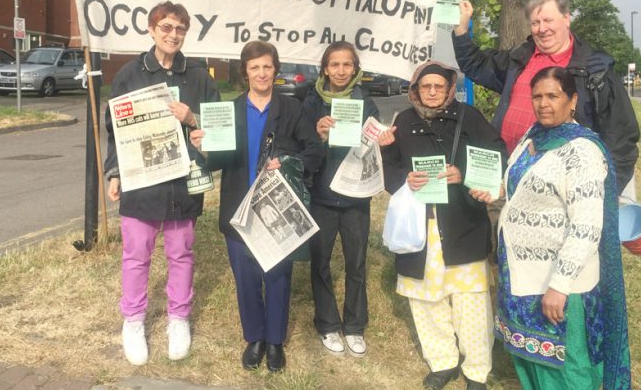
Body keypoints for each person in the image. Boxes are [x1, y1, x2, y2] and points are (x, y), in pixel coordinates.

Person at [469, 66, 631, 390]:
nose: (544, 103)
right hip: (522, 274)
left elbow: (586, 227)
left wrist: (559, 286)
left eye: (553, 96)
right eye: (537, 96)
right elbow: (517, 182)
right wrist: (496, 190)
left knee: (567, 371)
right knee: (531, 363)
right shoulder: (534, 136)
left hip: (559, 284)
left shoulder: (581, 152)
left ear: (572, 101)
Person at [189, 41, 323, 372]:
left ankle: (275, 341)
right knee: (246, 278)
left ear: (275, 70)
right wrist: (204, 147)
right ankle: (255, 338)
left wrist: (290, 161)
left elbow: (314, 151)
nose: (261, 73)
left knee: (277, 276)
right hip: (239, 208)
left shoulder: (292, 109)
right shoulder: (230, 110)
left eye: (267, 66)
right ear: (244, 72)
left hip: (276, 209)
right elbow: (219, 160)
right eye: (254, 67)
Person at [104, 1, 219, 366]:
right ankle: (133, 320)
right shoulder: (129, 74)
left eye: (180, 29)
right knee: (136, 254)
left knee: (181, 253)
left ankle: (178, 318)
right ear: (152, 30)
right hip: (142, 183)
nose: (173, 35)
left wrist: (193, 118)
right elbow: (114, 130)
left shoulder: (199, 76)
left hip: (183, 184)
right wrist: (115, 172)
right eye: (166, 27)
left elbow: (216, 126)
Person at [381, 61, 507, 390]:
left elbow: (497, 153)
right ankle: (443, 362)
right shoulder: (403, 122)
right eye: (426, 86)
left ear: (450, 89)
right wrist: (403, 178)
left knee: (471, 302)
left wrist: (463, 174)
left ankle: (477, 370)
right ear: (415, 90)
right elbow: (391, 171)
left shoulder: (470, 117)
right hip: (420, 227)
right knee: (426, 301)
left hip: (462, 223)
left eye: (439, 86)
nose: (433, 91)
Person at [452, 0, 639, 193]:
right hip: (507, 180)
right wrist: (461, 29)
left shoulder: (594, 70)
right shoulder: (519, 59)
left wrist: (605, 193)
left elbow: (622, 138)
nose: (542, 29)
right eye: (535, 23)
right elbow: (477, 64)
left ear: (566, 19)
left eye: (548, 20)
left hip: (561, 190)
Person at [301, 41, 381, 358]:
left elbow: (375, 146)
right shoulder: (311, 103)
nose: (341, 71)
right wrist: (318, 135)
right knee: (320, 262)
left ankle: (354, 325)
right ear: (324, 68)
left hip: (355, 199)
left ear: (355, 68)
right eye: (334, 65)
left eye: (347, 65)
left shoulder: (366, 102)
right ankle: (327, 324)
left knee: (356, 262)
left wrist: (381, 139)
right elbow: (303, 147)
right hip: (321, 196)